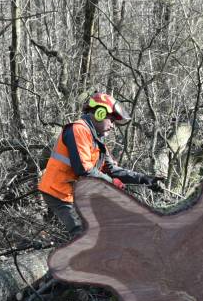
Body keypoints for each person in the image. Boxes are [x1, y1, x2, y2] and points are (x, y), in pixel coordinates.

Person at [39, 92, 163, 234]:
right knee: (83, 233)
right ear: (99, 113)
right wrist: (112, 183)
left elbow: (112, 169)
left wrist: (145, 179)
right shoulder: (78, 130)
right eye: (111, 120)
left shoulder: (96, 139)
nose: (112, 126)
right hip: (59, 192)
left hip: (76, 192)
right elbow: (84, 170)